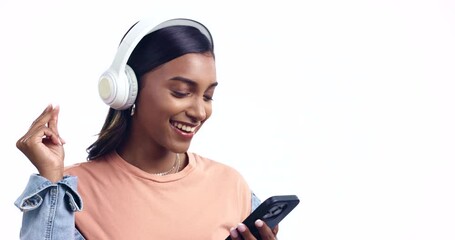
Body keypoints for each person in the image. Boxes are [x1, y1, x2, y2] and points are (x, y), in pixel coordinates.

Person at [14, 17, 279, 239]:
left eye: (207, 96)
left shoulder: (231, 185)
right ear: (129, 90)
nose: (199, 112)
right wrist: (50, 179)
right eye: (181, 92)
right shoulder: (74, 192)